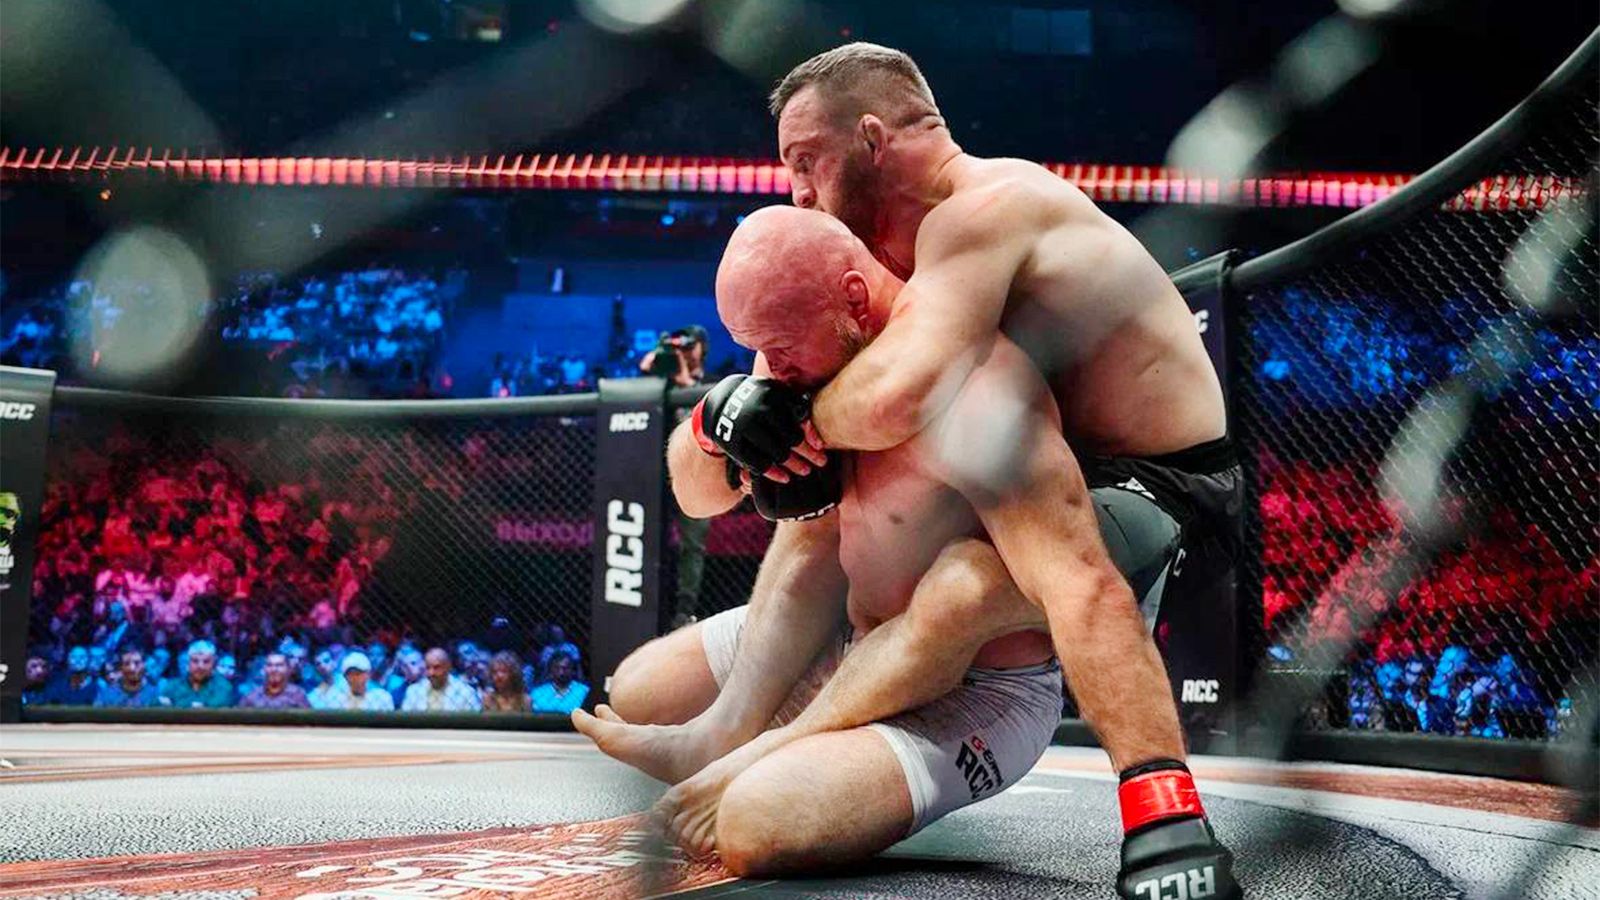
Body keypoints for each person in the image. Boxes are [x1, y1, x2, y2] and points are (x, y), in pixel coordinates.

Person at [400, 647, 481, 712]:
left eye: (436, 667)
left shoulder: (466, 692)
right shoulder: (413, 691)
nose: (431, 673)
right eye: (428, 668)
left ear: (448, 667)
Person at [159, 640, 235, 708]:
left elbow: (213, 709)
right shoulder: (174, 685)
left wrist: (174, 704)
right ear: (188, 663)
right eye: (195, 661)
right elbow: (157, 703)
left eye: (206, 662)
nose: (200, 666)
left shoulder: (223, 686)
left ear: (213, 664)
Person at [237, 653, 311, 709]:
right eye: (270, 665)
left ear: (288, 669)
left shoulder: (298, 695)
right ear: (264, 669)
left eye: (279, 665)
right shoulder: (252, 697)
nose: (274, 669)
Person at [94, 648, 161, 708]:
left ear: (143, 665)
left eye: (137, 663)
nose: (132, 668)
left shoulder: (153, 693)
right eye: (127, 664)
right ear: (121, 668)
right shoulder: (107, 694)